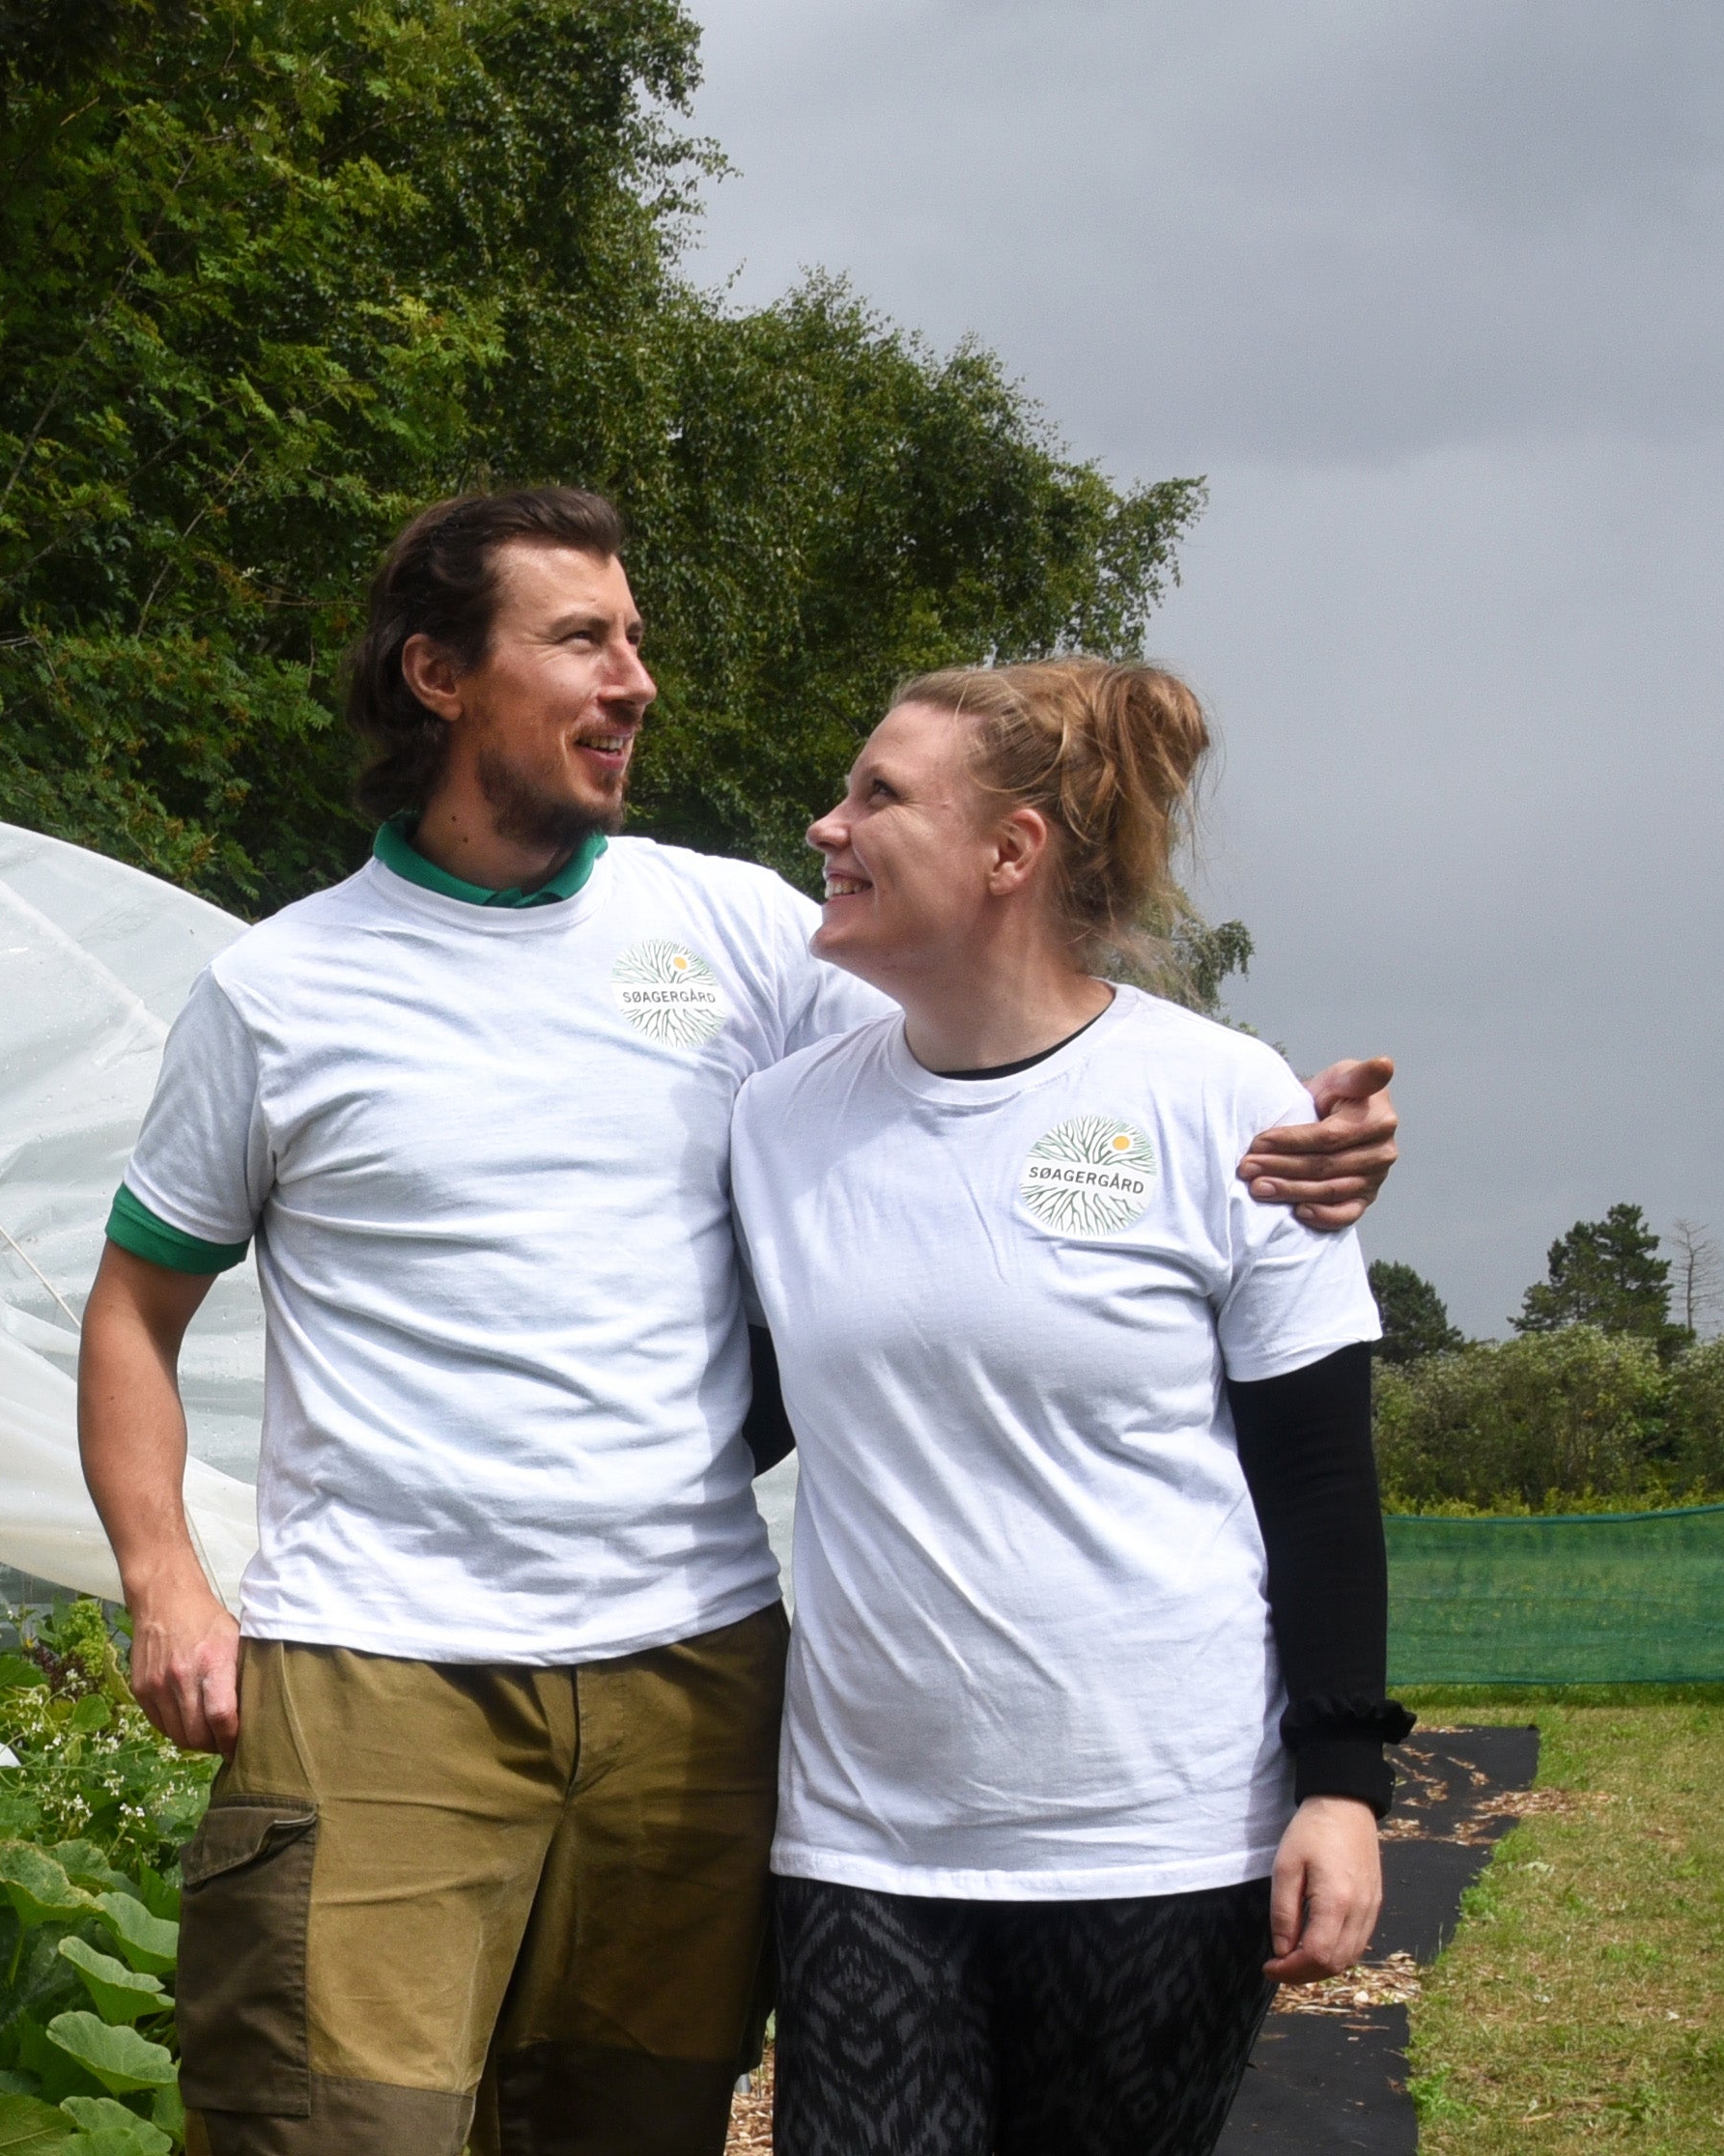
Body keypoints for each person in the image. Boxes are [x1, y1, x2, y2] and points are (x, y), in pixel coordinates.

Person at [74, 487, 1399, 2156]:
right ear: (437, 675)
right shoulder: (279, 992)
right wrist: (165, 1582)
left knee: (632, 2130)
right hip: (382, 1664)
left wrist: (1289, 1136)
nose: (633, 679)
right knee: (329, 2131)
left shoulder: (735, 933)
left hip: (691, 1679)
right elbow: (135, 1306)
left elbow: (1019, 1019)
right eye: (581, 639)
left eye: (636, 638)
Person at [729, 658, 1404, 2155]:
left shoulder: (1226, 1105)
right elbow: (742, 1414)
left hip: (1161, 1837)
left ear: (1009, 854)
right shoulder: (780, 1122)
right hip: (863, 1840)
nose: (827, 825)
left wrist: (1342, 1784)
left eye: (878, 797)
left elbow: (1320, 1486)